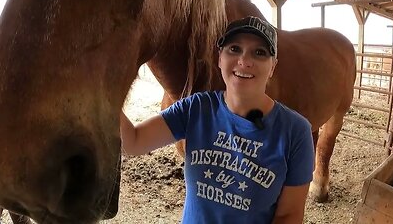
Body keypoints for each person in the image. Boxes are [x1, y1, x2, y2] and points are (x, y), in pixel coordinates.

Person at [121, 16, 314, 224]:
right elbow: (134, 141)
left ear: (273, 67)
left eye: (259, 53)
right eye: (234, 49)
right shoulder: (196, 109)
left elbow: (289, 215)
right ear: (219, 58)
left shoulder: (295, 131)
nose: (244, 61)